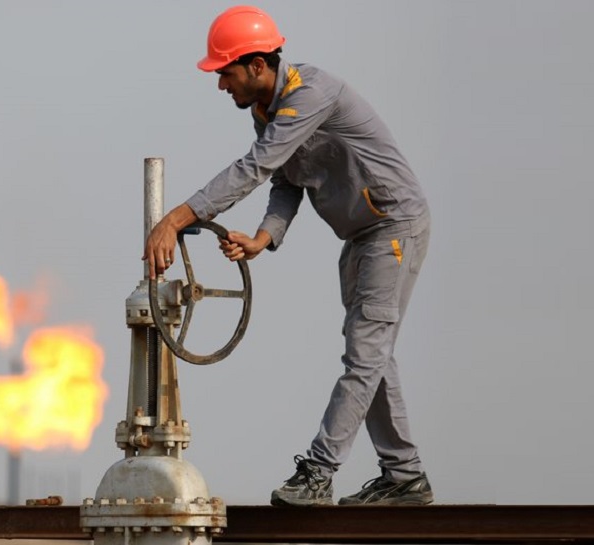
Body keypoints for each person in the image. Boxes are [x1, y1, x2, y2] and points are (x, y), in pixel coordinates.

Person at [143, 5, 433, 506]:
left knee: (364, 355)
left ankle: (319, 471)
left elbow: (255, 168)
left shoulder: (310, 94)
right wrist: (264, 237)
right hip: (362, 235)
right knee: (372, 355)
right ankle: (404, 475)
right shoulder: (267, 113)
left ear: (257, 65)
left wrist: (177, 218)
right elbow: (285, 180)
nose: (220, 85)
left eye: (225, 73)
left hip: (393, 229)